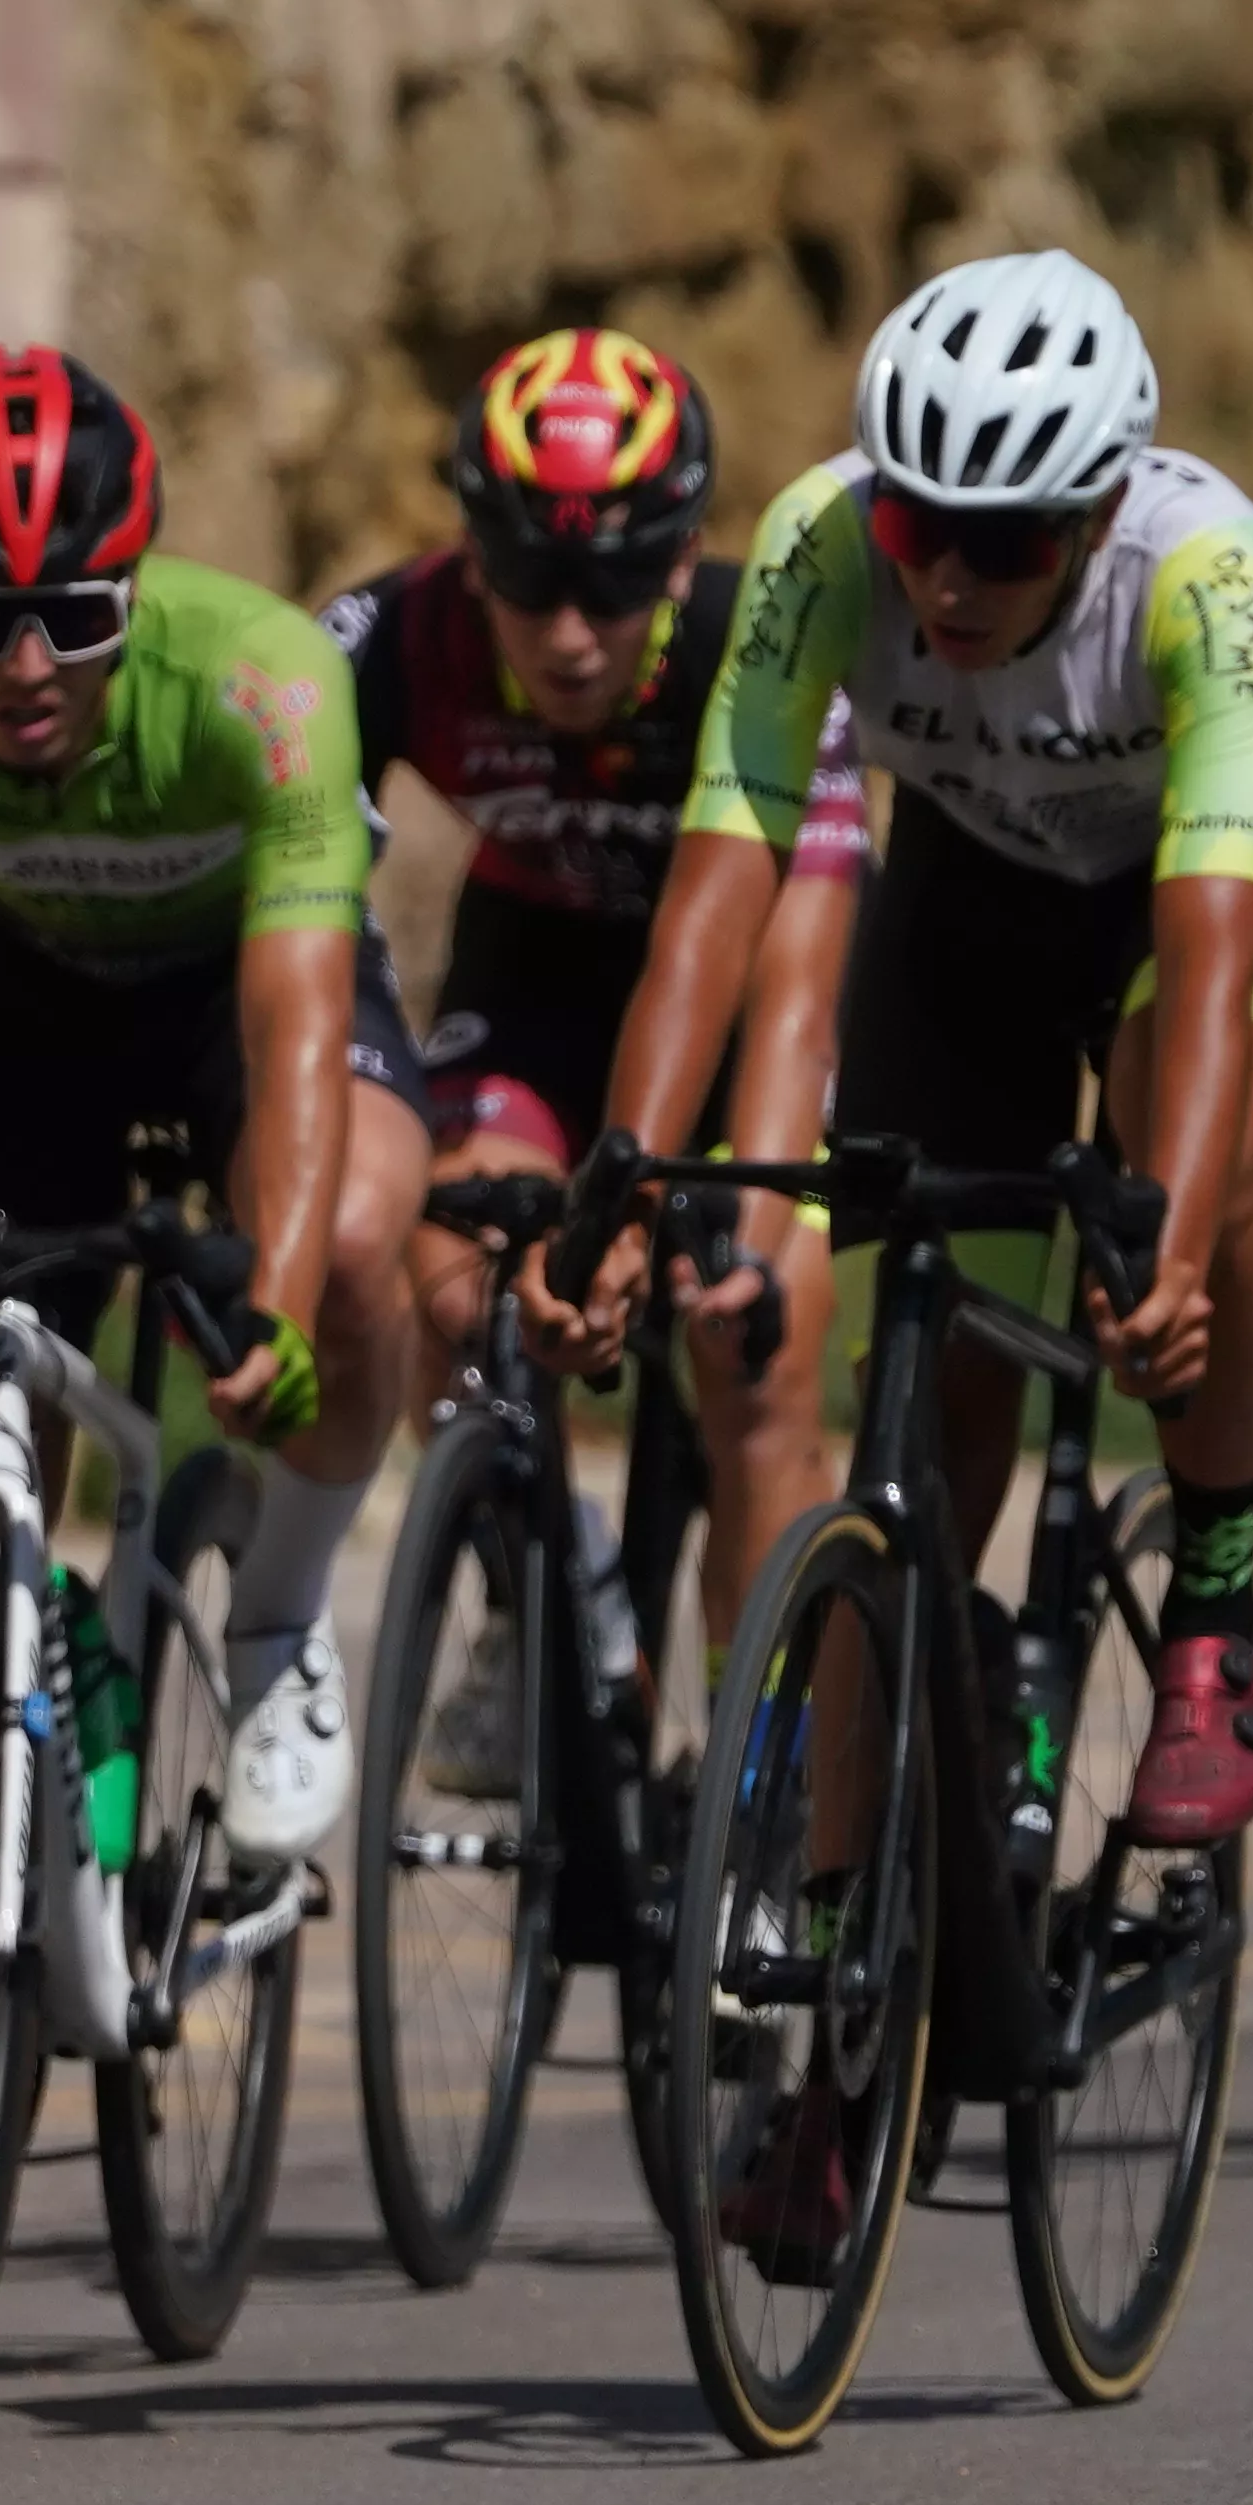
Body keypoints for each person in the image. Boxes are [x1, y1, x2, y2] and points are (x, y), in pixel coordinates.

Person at [576, 249, 1253, 1846]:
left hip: (1195, 887)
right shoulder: (818, 546)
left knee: (1179, 1134)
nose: (948, 582)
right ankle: (851, 1964)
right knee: (925, 1432)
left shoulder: (1202, 571)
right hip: (976, 897)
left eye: (1002, 544)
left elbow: (1208, 956)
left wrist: (1178, 1244)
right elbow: (715, 901)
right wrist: (626, 1178)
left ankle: (1214, 1609)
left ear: (1091, 515)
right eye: (919, 530)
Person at [0, 343, 427, 1871]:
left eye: (74, 623)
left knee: (347, 1251)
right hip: (34, 999)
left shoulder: (261, 680)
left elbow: (295, 1022)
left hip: (243, 989)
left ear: (133, 598)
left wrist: (268, 1305)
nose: (27, 669)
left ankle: (278, 1618)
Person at [323, 327, 870, 1588]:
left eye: (613, 589)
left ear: (681, 559)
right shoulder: (400, 635)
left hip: (748, 1003)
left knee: (757, 1352)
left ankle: (754, 1757)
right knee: (460, 1280)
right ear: (471, 558)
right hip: (539, 968)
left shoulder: (763, 645)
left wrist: (747, 1205)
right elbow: (279, 890)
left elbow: (791, 989)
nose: (569, 633)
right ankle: (538, 1616)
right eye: (526, 580)